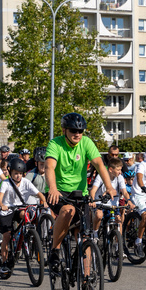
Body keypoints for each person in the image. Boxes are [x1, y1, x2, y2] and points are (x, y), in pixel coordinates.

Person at [46, 113, 116, 271]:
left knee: (85, 235)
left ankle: (86, 279)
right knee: (67, 211)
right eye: (72, 130)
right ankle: (55, 251)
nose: (77, 134)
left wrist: (109, 186)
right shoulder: (55, 144)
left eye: (80, 131)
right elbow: (49, 167)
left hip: (80, 193)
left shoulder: (86, 143)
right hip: (59, 191)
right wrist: (53, 188)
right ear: (64, 130)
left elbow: (99, 164)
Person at [0, 158, 47, 274]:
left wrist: (44, 201)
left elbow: (39, 194)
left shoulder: (26, 182)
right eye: (15, 173)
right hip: (6, 211)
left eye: (20, 173)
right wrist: (2, 205)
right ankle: (4, 263)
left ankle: (26, 235)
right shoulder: (6, 183)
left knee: (26, 214)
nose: (18, 176)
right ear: (10, 172)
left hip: (19, 208)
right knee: (7, 236)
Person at [89, 156, 129, 238]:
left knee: (119, 220)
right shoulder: (101, 176)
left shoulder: (120, 178)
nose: (120, 172)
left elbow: (124, 192)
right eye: (118, 170)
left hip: (113, 205)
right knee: (99, 215)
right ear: (111, 169)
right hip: (100, 203)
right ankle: (95, 233)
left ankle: (119, 246)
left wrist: (129, 200)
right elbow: (93, 190)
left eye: (120, 170)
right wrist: (92, 200)